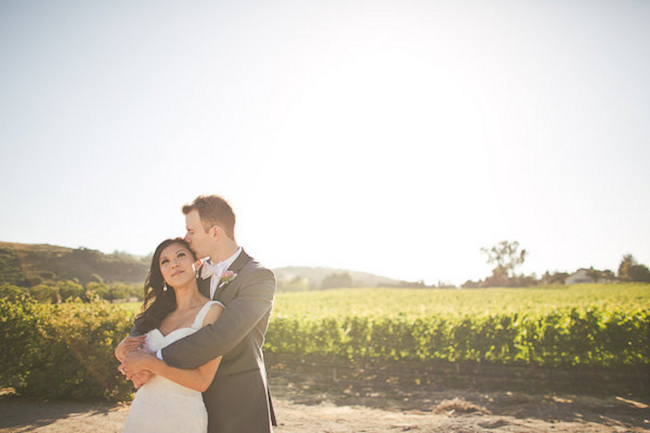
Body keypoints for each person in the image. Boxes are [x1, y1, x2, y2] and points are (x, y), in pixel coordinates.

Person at [118, 195, 277, 433]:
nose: (186, 238)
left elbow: (222, 335)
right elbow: (158, 311)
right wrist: (129, 349)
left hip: (236, 399)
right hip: (186, 398)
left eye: (191, 231)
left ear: (214, 233)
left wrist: (153, 359)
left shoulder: (258, 277)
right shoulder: (193, 272)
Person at [117, 238, 224, 433]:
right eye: (164, 261)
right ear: (162, 273)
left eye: (180, 256)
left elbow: (202, 382)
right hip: (142, 414)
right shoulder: (155, 314)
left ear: (197, 263)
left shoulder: (212, 311)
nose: (173, 264)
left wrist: (150, 364)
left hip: (183, 419)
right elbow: (133, 365)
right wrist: (121, 353)